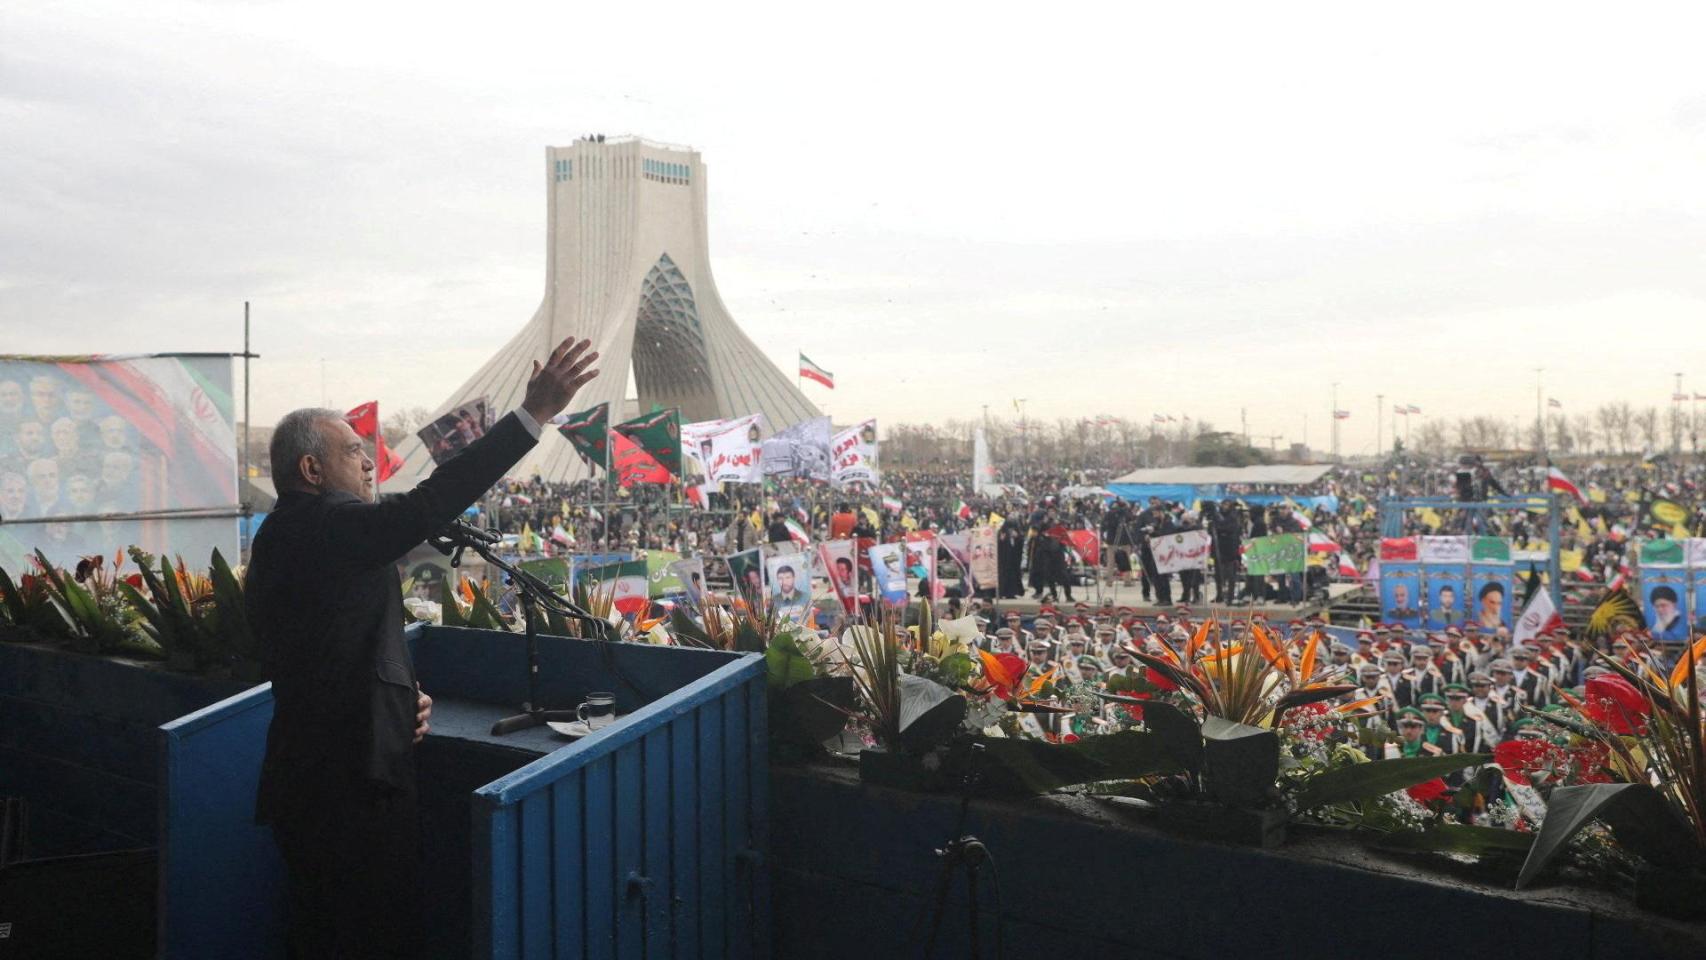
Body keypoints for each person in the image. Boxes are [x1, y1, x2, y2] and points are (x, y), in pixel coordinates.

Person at [248, 335, 599, 957]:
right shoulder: (322, 525)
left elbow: (337, 646)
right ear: (310, 470)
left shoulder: (295, 535)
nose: (368, 465)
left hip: (327, 773)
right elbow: (430, 501)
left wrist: (401, 696)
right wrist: (533, 416)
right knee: (368, 934)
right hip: (346, 788)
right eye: (355, 453)